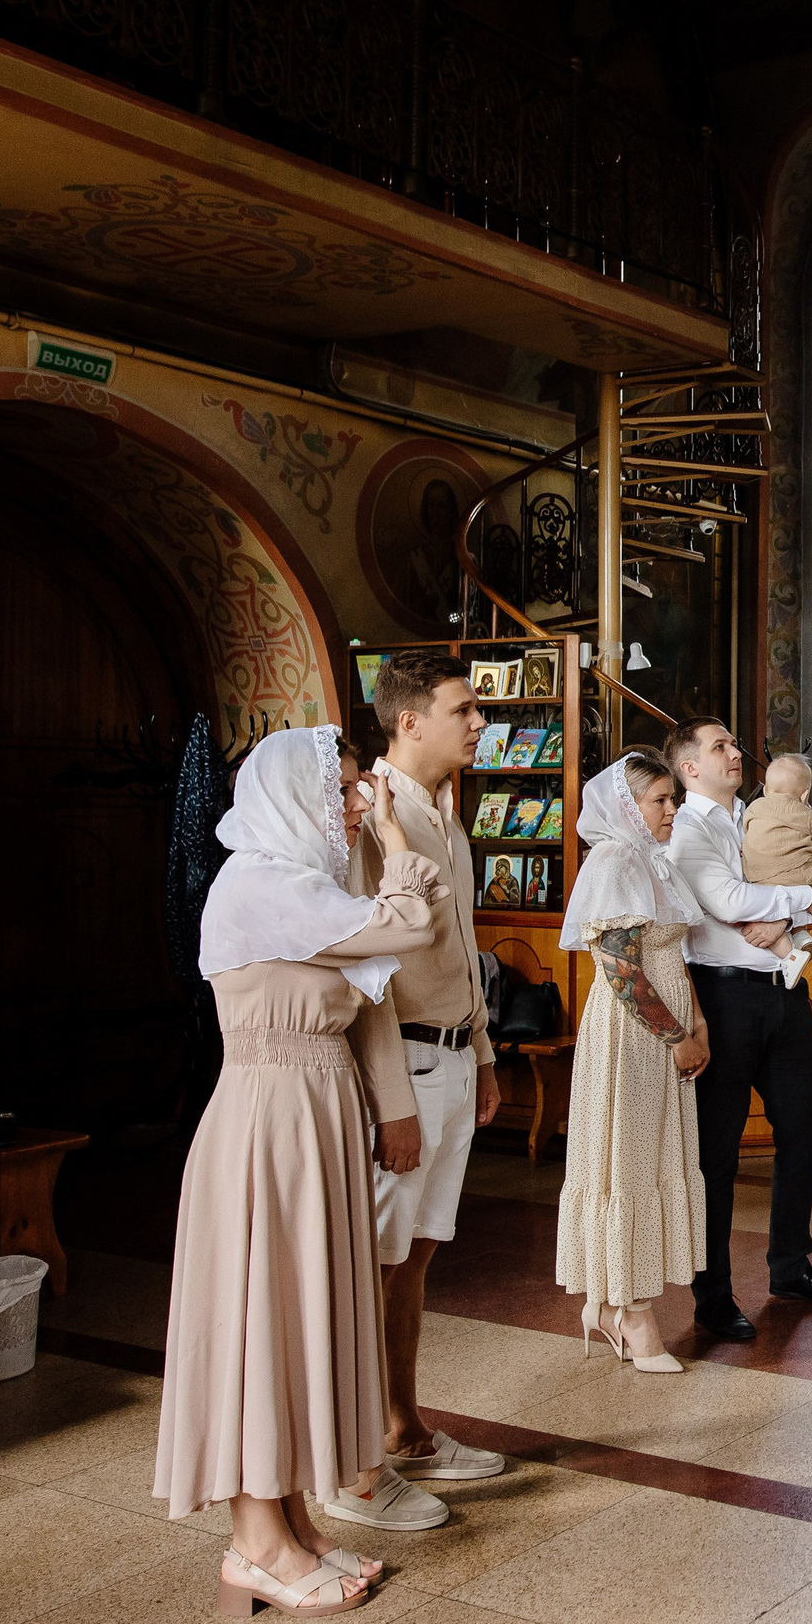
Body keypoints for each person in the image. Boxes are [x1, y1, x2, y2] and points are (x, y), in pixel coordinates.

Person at [156, 727, 431, 1617]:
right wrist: (394, 842)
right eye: (344, 789)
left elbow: (372, 991)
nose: (356, 803)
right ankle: (252, 1542)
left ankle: (291, 1521)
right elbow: (410, 923)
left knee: (295, 1314)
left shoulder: (306, 887)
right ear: (288, 796)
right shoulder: (261, 884)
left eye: (357, 789)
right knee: (258, 1321)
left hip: (313, 1115)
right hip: (269, 1122)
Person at [327, 649, 508, 1535]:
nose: (479, 721)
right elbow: (370, 970)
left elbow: (457, 945)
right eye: (463, 708)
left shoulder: (444, 811)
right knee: (377, 1259)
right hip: (403, 1062)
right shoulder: (370, 817)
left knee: (419, 1254)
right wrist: (393, 1097)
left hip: (453, 1055)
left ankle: (403, 1428)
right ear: (409, 721)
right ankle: (351, 1460)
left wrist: (482, 1047)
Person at [659, 718, 812, 1343]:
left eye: (734, 744)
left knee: (806, 1130)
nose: (736, 753)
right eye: (720, 747)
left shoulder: (765, 813)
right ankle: (711, 1295)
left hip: (785, 991)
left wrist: (809, 897)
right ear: (689, 767)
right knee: (718, 1153)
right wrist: (801, 902)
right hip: (724, 998)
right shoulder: (686, 832)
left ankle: (790, 1268)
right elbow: (733, 903)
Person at [555, 749, 711, 1374]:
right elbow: (621, 970)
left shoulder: (652, 860)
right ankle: (628, 1310)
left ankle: (613, 1304)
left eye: (675, 798)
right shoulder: (616, 859)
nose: (673, 809)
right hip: (633, 1034)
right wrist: (677, 1037)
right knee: (628, 1161)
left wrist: (697, 1020)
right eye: (661, 801)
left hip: (667, 1023)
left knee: (650, 1158)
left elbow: (674, 953)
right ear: (628, 807)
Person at [740, 752, 812, 988]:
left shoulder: (754, 807)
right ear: (805, 794)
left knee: (766, 917)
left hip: (761, 876)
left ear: (766, 789)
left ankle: (790, 952)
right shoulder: (808, 814)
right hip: (801, 877)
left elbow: (746, 828)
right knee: (792, 901)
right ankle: (797, 941)